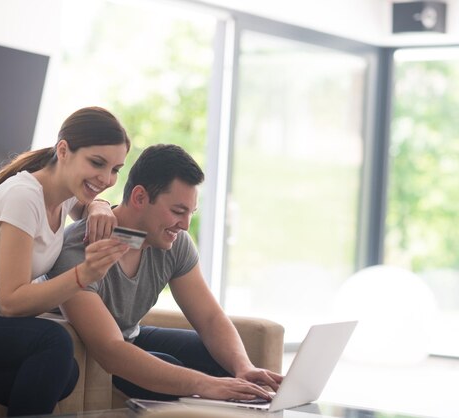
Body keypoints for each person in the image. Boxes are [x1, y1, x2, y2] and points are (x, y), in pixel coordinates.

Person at [0, 106, 131, 416]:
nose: (107, 178)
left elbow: (87, 202)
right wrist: (84, 274)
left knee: (64, 373)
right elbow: (12, 302)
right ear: (64, 150)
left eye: (115, 169)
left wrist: (100, 207)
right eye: (97, 163)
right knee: (52, 342)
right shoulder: (24, 196)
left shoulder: (66, 192)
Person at [46, 143, 283, 402]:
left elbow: (210, 318)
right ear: (139, 198)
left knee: (222, 363)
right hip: (95, 352)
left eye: (190, 213)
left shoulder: (173, 242)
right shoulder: (77, 251)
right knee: (179, 371)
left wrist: (243, 367)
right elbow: (110, 350)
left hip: (131, 336)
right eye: (177, 211)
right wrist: (206, 385)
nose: (184, 225)